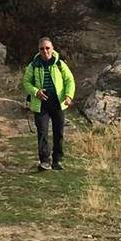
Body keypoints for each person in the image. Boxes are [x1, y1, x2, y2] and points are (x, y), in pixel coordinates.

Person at [23, 37, 75, 171]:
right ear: (38, 50)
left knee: (59, 131)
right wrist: (36, 92)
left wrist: (68, 95)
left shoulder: (60, 64)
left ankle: (57, 160)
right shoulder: (33, 65)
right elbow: (26, 83)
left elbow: (69, 80)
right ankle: (44, 160)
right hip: (41, 102)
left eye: (47, 48)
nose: (45, 51)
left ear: (52, 48)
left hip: (58, 101)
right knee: (42, 132)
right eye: (42, 48)